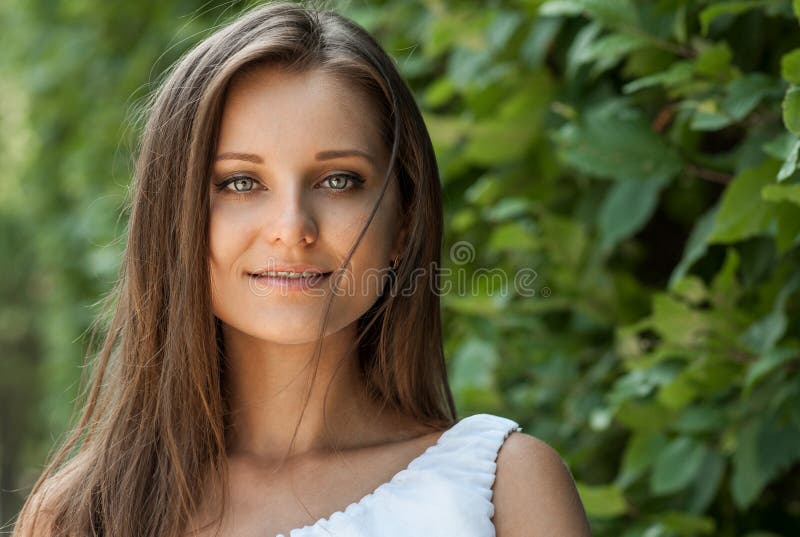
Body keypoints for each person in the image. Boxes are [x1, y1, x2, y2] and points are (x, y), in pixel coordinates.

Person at [13, 2, 591, 536]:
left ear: (405, 224)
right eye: (240, 183)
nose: (292, 226)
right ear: (173, 221)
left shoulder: (505, 486)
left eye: (339, 181)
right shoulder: (82, 514)